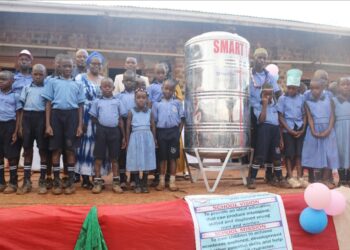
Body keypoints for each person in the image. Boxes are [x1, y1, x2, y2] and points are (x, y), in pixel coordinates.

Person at [42, 54, 85, 195]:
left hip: (72, 117)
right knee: (56, 150)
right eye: (65, 66)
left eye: (70, 66)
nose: (67, 68)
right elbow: (48, 103)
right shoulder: (52, 82)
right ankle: (56, 182)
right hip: (56, 116)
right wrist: (48, 124)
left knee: (70, 150)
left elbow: (80, 106)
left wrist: (80, 125)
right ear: (59, 67)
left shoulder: (78, 84)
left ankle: (70, 182)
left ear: (73, 68)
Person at [247, 83, 289, 189]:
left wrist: (280, 137)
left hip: (275, 130)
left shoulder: (275, 105)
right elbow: (261, 120)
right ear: (261, 94)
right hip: (264, 129)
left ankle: (279, 178)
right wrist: (264, 105)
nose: (268, 97)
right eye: (266, 94)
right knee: (260, 154)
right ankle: (252, 178)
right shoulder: (257, 105)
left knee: (276, 155)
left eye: (270, 94)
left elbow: (278, 122)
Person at [250, 48, 282, 183]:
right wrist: (263, 103)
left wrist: (272, 101)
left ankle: (272, 176)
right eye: (259, 57)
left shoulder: (270, 77)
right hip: (256, 112)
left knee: (274, 151)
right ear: (254, 58)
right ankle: (252, 178)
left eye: (264, 58)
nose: (262, 60)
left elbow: (278, 93)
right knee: (260, 150)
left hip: (272, 120)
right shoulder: (248, 75)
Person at [75, 51, 105, 189]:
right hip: (86, 115)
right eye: (93, 63)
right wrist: (81, 121)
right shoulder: (80, 78)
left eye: (99, 64)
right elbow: (77, 100)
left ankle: (96, 176)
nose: (96, 66)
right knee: (85, 147)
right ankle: (85, 178)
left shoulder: (104, 80)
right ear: (88, 64)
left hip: (100, 118)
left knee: (97, 147)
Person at [90, 77, 126, 194]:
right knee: (98, 157)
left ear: (113, 88)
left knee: (114, 158)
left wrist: (124, 136)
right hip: (101, 131)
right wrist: (102, 125)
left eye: (109, 86)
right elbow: (93, 117)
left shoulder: (118, 101)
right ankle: (97, 182)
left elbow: (120, 120)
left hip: (115, 131)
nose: (107, 88)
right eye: (104, 86)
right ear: (100, 88)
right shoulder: (97, 102)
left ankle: (116, 183)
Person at [17, 64, 48, 195]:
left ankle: (42, 180)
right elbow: (21, 108)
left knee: (43, 149)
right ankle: (27, 181)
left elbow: (48, 108)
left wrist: (47, 125)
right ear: (32, 75)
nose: (38, 76)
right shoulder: (26, 88)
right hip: (28, 119)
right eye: (35, 74)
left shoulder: (47, 89)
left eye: (41, 74)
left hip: (41, 117)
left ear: (45, 75)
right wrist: (20, 126)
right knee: (28, 149)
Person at [302, 78, 339, 188]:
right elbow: (310, 117)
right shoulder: (307, 100)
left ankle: (325, 179)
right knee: (314, 154)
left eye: (317, 88)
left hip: (328, 129)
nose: (314, 90)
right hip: (314, 130)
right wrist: (313, 130)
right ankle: (315, 180)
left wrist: (328, 130)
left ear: (323, 88)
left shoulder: (329, 97)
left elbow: (333, 115)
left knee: (329, 154)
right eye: (311, 88)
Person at [277, 69, 308, 188]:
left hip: (299, 128)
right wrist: (289, 130)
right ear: (286, 87)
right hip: (287, 130)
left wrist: (303, 128)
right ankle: (290, 177)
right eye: (289, 87)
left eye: (294, 88)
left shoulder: (302, 98)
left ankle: (300, 177)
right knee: (289, 155)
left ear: (298, 88)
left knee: (299, 154)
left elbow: (304, 115)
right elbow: (280, 116)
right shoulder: (282, 99)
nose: (291, 90)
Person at [152, 79, 185, 191]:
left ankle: (172, 182)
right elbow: (154, 122)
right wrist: (155, 137)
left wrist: (178, 133)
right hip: (161, 134)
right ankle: (161, 182)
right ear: (162, 89)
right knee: (162, 158)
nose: (168, 91)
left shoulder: (177, 103)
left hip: (173, 134)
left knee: (172, 158)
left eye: (171, 89)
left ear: (174, 91)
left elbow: (182, 119)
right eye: (166, 88)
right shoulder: (157, 105)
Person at [126, 87, 157, 193]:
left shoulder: (149, 112)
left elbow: (153, 126)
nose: (141, 100)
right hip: (135, 138)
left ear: (147, 99)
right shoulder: (131, 112)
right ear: (135, 99)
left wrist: (154, 139)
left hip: (147, 138)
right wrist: (127, 139)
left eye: (143, 97)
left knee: (146, 159)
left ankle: (144, 183)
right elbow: (128, 127)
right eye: (138, 97)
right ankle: (137, 184)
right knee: (135, 159)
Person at [0, 71, 22, 194]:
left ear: (12, 81)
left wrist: (16, 131)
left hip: (10, 126)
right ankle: (1, 182)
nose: (1, 81)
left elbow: (18, 114)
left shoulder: (16, 96)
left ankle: (13, 183)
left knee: (12, 156)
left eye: (4, 79)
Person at [118, 70, 137, 189]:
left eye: (132, 80)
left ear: (135, 82)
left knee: (134, 151)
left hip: (135, 124)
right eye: (127, 80)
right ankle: (122, 178)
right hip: (122, 124)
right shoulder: (118, 96)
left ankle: (134, 178)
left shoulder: (138, 96)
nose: (129, 83)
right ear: (123, 81)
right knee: (122, 152)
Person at [333, 77, 350, 186]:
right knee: (340, 152)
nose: (346, 86)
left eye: (348, 84)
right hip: (339, 128)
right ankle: (342, 179)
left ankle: (348, 179)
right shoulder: (334, 100)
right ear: (338, 86)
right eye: (343, 84)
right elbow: (332, 117)